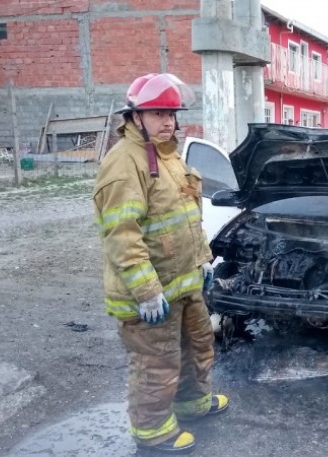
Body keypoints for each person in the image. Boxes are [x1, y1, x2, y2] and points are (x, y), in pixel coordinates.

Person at [92, 73, 228, 454]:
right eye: (157, 113)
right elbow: (122, 235)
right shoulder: (124, 164)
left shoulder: (168, 156)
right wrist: (147, 291)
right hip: (151, 296)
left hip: (183, 285)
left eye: (171, 112)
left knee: (197, 347)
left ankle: (192, 403)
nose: (167, 121)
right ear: (135, 117)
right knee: (157, 364)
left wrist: (203, 262)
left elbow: (187, 217)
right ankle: (152, 432)